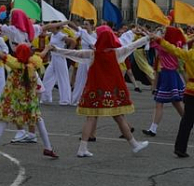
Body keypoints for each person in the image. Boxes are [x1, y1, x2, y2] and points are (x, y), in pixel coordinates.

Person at [52, 25, 149, 157]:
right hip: (111, 93)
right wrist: (148, 37)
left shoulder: (93, 54)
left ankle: (83, 148)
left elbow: (74, 53)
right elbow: (133, 45)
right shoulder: (116, 53)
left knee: (91, 118)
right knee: (119, 118)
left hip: (95, 92)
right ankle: (134, 144)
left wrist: (57, 49)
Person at [0, 43, 58, 161]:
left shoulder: (14, 64)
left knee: (3, 123)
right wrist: (47, 48)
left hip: (13, 101)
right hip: (29, 102)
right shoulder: (34, 64)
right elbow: (41, 55)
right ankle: (48, 147)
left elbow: (2, 56)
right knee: (39, 122)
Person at [153, 33, 194, 157]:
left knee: (187, 121)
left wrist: (160, 40)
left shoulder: (190, 54)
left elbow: (174, 49)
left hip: (190, 91)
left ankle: (180, 148)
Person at [142, 27, 185, 137]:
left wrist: (146, 33)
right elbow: (154, 40)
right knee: (176, 103)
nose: (164, 33)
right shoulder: (175, 44)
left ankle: (153, 129)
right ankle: (188, 122)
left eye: (166, 32)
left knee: (160, 102)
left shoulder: (164, 47)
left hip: (168, 75)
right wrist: (147, 32)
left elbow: (152, 42)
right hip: (170, 74)